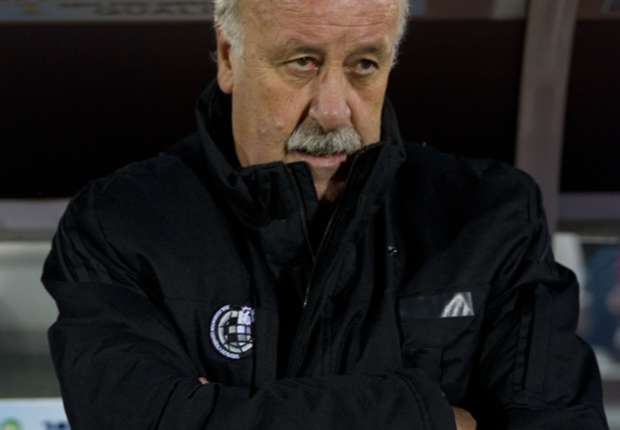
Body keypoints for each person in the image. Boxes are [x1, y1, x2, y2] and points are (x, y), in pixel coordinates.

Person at [41, 0, 608, 428]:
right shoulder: (119, 225)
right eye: (302, 62)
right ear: (228, 56)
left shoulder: (490, 215)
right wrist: (430, 416)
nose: (334, 109)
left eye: (364, 65)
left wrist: (220, 409)